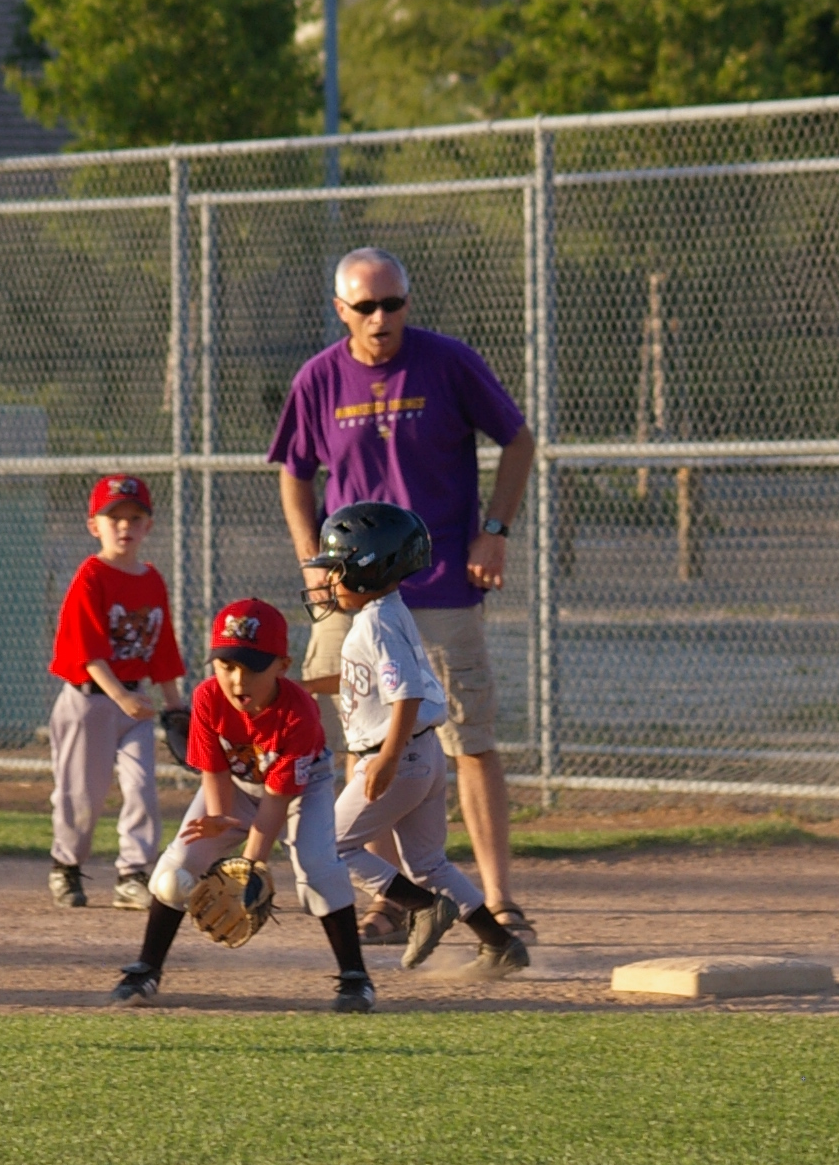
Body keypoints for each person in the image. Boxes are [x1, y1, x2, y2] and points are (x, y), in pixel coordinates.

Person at [269, 247, 535, 945]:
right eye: (366, 307)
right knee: (360, 735)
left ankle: (500, 901)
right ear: (341, 310)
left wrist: (494, 533)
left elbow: (518, 440)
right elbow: (295, 472)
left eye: (393, 304)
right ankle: (392, 902)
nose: (381, 318)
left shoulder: (447, 362)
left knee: (469, 739)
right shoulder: (319, 377)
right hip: (350, 591)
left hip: (441, 580)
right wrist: (311, 559)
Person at [112, 598, 373, 1012]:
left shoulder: (299, 712)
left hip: (303, 788)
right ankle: (146, 969)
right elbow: (215, 770)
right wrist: (219, 817)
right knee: (174, 872)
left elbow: (277, 798)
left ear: (282, 666)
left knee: (319, 871)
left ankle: (356, 978)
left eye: (252, 668)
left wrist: (251, 865)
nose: (237, 680)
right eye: (227, 665)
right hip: (236, 784)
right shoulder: (207, 697)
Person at [314, 502, 532, 975]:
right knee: (429, 863)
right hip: (422, 753)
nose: (329, 580)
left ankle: (423, 907)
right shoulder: (388, 612)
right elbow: (368, 682)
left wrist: (388, 759)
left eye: (337, 569)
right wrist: (299, 686)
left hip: (396, 756)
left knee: (329, 846)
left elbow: (406, 692)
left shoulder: (375, 623)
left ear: (368, 570)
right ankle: (500, 943)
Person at [46, 472, 184, 909]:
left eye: (135, 517)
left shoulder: (152, 579)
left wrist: (176, 706)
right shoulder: (91, 576)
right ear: (94, 526)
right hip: (88, 701)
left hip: (134, 703)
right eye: (114, 518)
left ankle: (132, 873)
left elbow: (162, 647)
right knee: (81, 796)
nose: (125, 526)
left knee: (143, 789)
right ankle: (66, 866)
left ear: (149, 525)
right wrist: (122, 698)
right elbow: (88, 651)